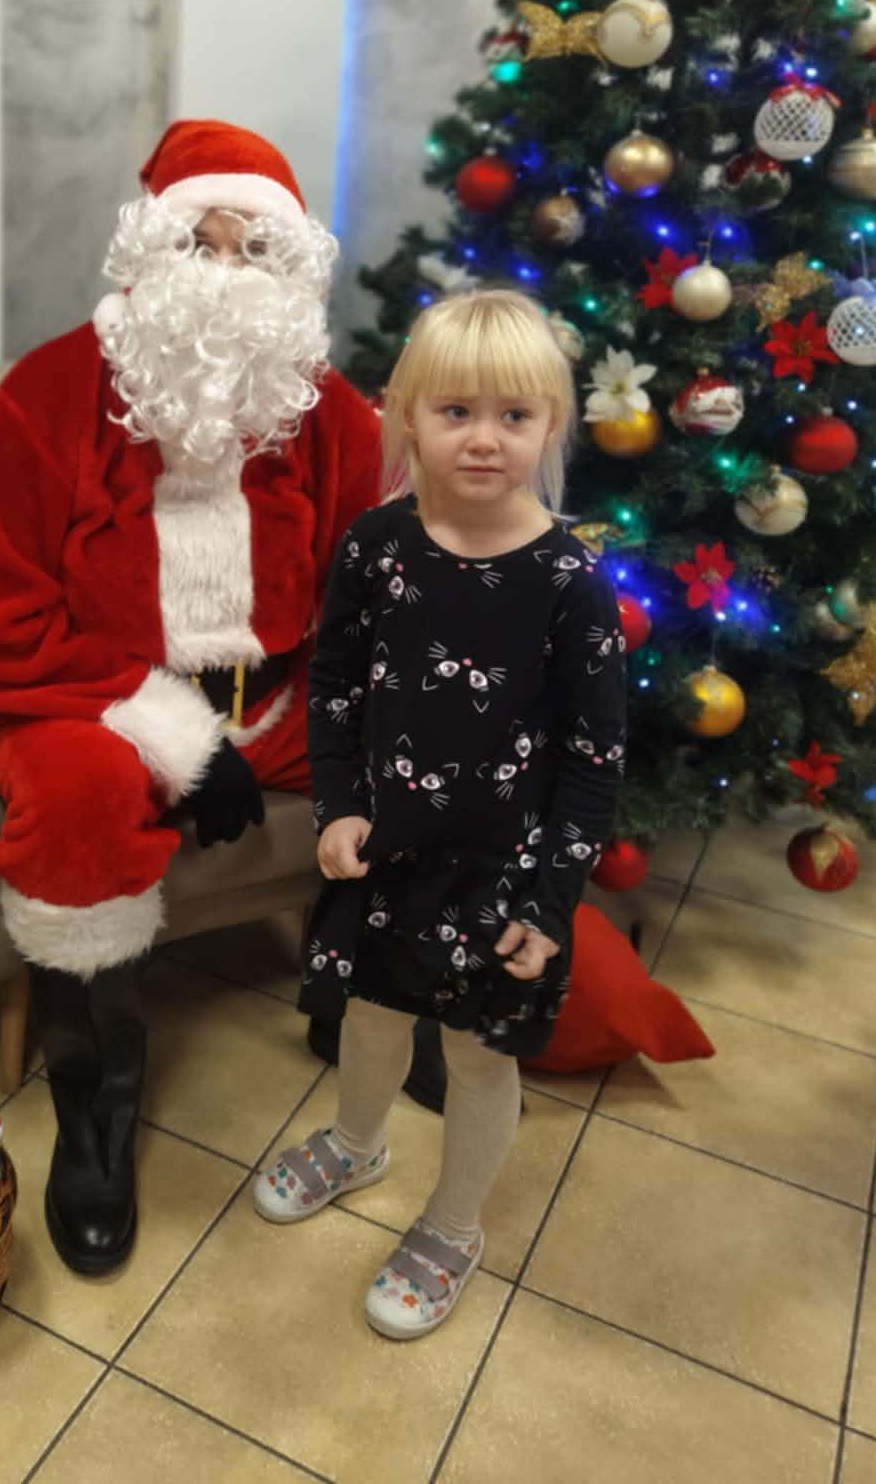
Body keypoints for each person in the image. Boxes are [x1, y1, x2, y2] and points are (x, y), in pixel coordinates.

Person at [0, 119, 381, 1274]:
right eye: (202, 242)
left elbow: (362, 597)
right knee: (80, 792)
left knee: (418, 747)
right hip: (84, 699)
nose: (226, 271)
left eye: (255, 249)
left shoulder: (328, 410)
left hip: (275, 699)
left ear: (291, 271)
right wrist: (179, 739)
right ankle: (96, 1106)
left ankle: (359, 995)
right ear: (149, 253)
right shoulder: (45, 395)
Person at [253, 289, 626, 1338]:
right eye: (456, 411)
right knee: (369, 1017)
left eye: (515, 415)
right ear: (405, 417)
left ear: (553, 426)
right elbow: (335, 686)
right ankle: (356, 1143)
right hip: (388, 854)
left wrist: (550, 903)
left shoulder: (570, 582)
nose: (484, 438)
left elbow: (594, 763)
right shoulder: (375, 546)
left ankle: (455, 1224)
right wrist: (337, 807)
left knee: (476, 1056)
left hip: (505, 875)